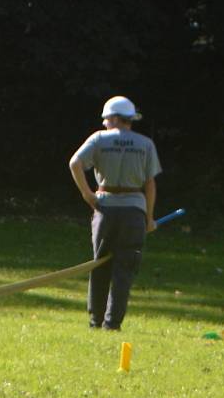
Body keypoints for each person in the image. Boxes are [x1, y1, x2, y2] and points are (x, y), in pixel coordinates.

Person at [69, 96, 162, 331]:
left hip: (105, 208)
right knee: (124, 269)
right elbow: (150, 184)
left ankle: (95, 321)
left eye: (106, 119)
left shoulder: (99, 139)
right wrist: (149, 218)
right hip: (134, 211)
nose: (104, 124)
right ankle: (112, 324)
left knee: (100, 264)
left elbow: (74, 163)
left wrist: (87, 195)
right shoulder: (145, 144)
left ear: (112, 118)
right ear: (130, 119)